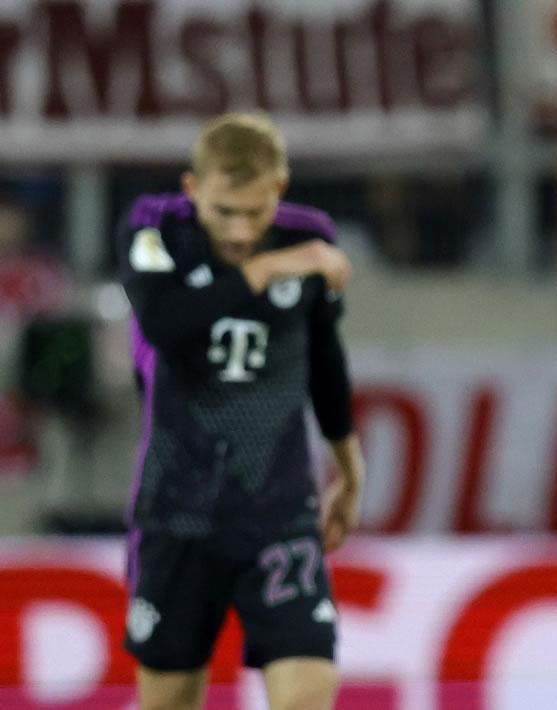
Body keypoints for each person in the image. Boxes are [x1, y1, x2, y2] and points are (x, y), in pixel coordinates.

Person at [118, 113, 364, 710]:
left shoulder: (308, 238)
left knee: (308, 694)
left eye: (255, 212)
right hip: (179, 511)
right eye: (224, 211)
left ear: (278, 190)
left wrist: (349, 470)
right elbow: (166, 324)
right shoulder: (154, 229)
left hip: (278, 512)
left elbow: (324, 363)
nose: (240, 229)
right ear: (192, 188)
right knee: (169, 700)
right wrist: (266, 269)